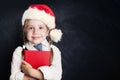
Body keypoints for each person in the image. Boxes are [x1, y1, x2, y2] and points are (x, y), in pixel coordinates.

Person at [10, 4, 63, 80]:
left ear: (48, 31)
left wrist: (31, 72)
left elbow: (57, 76)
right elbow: (13, 77)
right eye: (31, 28)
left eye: (40, 27)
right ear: (25, 30)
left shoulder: (54, 51)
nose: (35, 32)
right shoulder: (19, 52)